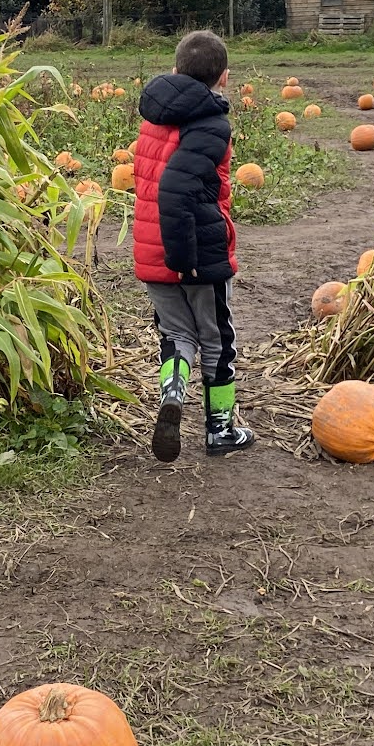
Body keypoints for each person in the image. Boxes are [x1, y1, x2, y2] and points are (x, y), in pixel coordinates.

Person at [131, 30, 255, 462]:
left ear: (174, 69)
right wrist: (184, 260)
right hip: (195, 254)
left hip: (151, 251)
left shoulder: (153, 118)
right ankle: (220, 429)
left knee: (176, 334)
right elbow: (176, 190)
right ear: (224, 77)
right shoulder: (210, 125)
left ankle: (173, 392)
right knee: (216, 339)